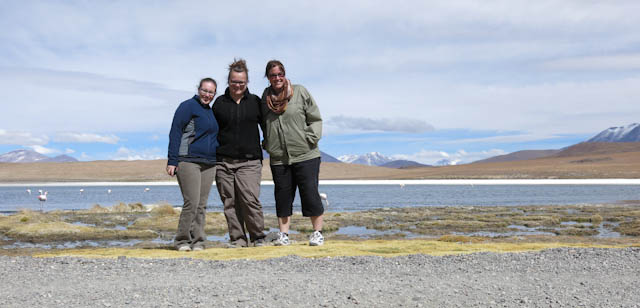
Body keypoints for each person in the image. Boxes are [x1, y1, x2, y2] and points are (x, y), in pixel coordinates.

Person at [261, 60, 325, 246]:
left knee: (310, 193)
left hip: (306, 154)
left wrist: (310, 138)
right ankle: (284, 235)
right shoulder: (265, 98)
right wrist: (268, 144)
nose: (277, 78)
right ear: (268, 77)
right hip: (279, 157)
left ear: (285, 74)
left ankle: (317, 233)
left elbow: (315, 118)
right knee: (282, 196)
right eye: (273, 75)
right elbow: (264, 125)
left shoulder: (300, 92)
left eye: (280, 74)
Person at [213, 59, 266, 248]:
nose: (238, 85)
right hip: (223, 162)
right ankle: (238, 239)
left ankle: (258, 237)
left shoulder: (255, 102)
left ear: (247, 82)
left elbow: (267, 126)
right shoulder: (219, 103)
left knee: (249, 199)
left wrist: (267, 144)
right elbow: (211, 130)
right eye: (234, 81)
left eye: (241, 82)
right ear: (228, 81)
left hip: (250, 161)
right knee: (230, 202)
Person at [167, 78, 219, 251]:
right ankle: (182, 241)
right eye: (204, 90)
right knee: (192, 202)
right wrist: (172, 161)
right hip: (188, 161)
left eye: (211, 92)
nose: (207, 95)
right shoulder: (187, 106)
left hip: (209, 163)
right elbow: (175, 132)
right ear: (198, 90)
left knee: (202, 205)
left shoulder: (210, 112)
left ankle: (198, 241)